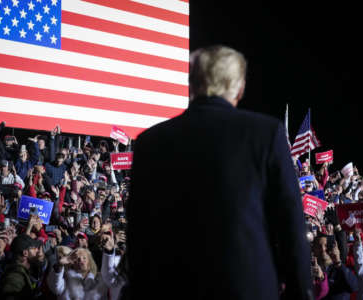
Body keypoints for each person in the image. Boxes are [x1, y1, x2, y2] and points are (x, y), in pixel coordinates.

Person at [126, 45, 313, 299]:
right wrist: (300, 293)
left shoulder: (150, 142)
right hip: (249, 290)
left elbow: (138, 236)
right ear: (240, 87)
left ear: (192, 84)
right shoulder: (267, 134)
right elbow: (291, 227)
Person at [0, 233, 43, 299]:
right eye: (34, 248)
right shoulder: (14, 279)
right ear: (25, 253)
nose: (37, 251)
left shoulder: (22, 271)